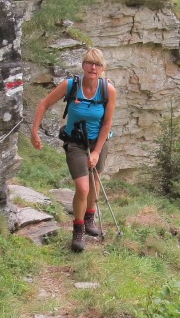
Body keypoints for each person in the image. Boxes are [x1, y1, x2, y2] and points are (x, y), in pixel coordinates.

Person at [30, 48, 117, 252]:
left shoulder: (108, 90)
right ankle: (78, 230)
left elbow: (107, 124)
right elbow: (44, 104)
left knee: (94, 186)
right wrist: (34, 132)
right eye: (89, 62)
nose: (92, 67)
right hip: (75, 143)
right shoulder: (71, 85)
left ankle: (89, 220)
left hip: (99, 143)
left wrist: (96, 152)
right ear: (83, 65)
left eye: (96, 64)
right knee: (83, 188)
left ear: (102, 68)